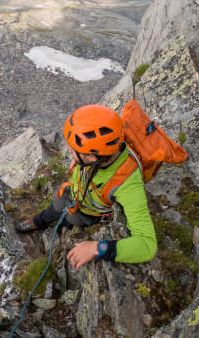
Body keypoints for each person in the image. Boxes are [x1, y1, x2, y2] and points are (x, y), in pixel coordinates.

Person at [16, 105, 157, 269]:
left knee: (70, 219)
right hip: (73, 192)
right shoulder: (108, 147)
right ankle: (38, 222)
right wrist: (80, 159)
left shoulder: (128, 184)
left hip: (86, 212)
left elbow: (147, 245)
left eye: (74, 151)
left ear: (91, 157)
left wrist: (98, 248)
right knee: (56, 204)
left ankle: (61, 227)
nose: (71, 154)